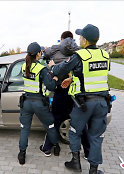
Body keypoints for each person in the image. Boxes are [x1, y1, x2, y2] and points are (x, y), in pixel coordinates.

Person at [49, 24, 110, 174]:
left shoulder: (80, 56)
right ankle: (94, 170)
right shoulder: (105, 55)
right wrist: (72, 80)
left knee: (75, 132)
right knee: (96, 136)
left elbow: (60, 69)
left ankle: (75, 162)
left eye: (81, 36)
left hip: (84, 104)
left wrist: (52, 66)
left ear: (84, 39)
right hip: (102, 102)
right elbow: (91, 75)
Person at [42, 31, 90, 159]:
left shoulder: (54, 49)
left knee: (56, 119)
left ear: (61, 39)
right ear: (72, 39)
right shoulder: (79, 52)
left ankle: (47, 148)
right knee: (81, 122)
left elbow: (44, 54)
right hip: (75, 92)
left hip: (61, 90)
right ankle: (88, 152)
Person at [18, 42, 59, 165]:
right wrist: (55, 76)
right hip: (39, 103)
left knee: (24, 128)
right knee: (50, 125)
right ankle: (56, 147)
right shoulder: (42, 69)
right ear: (38, 54)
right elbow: (51, 85)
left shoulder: (24, 67)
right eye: (40, 52)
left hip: (26, 102)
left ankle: (21, 154)